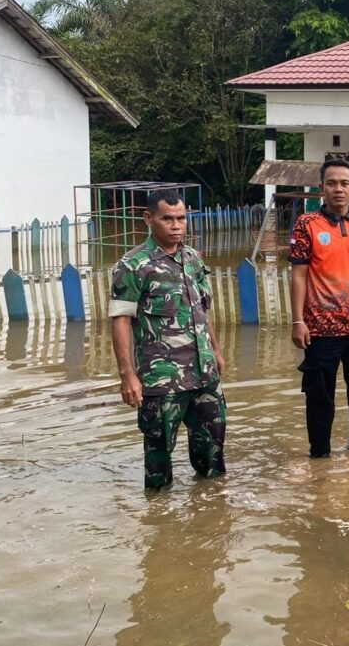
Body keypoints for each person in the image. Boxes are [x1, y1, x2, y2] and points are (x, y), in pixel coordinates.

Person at [109, 189, 226, 489]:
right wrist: (127, 375)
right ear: (149, 219)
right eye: (168, 219)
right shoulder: (133, 265)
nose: (176, 226)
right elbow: (120, 320)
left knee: (212, 460)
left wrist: (215, 351)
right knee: (159, 471)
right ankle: (158, 517)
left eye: (181, 219)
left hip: (204, 376)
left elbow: (201, 310)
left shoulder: (193, 259)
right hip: (162, 381)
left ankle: (212, 511)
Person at [290, 157, 349, 457]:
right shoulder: (307, 224)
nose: (338, 189)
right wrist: (297, 321)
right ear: (322, 188)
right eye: (331, 183)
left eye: (344, 183)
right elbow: (299, 275)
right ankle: (319, 457)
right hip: (320, 330)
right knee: (319, 398)